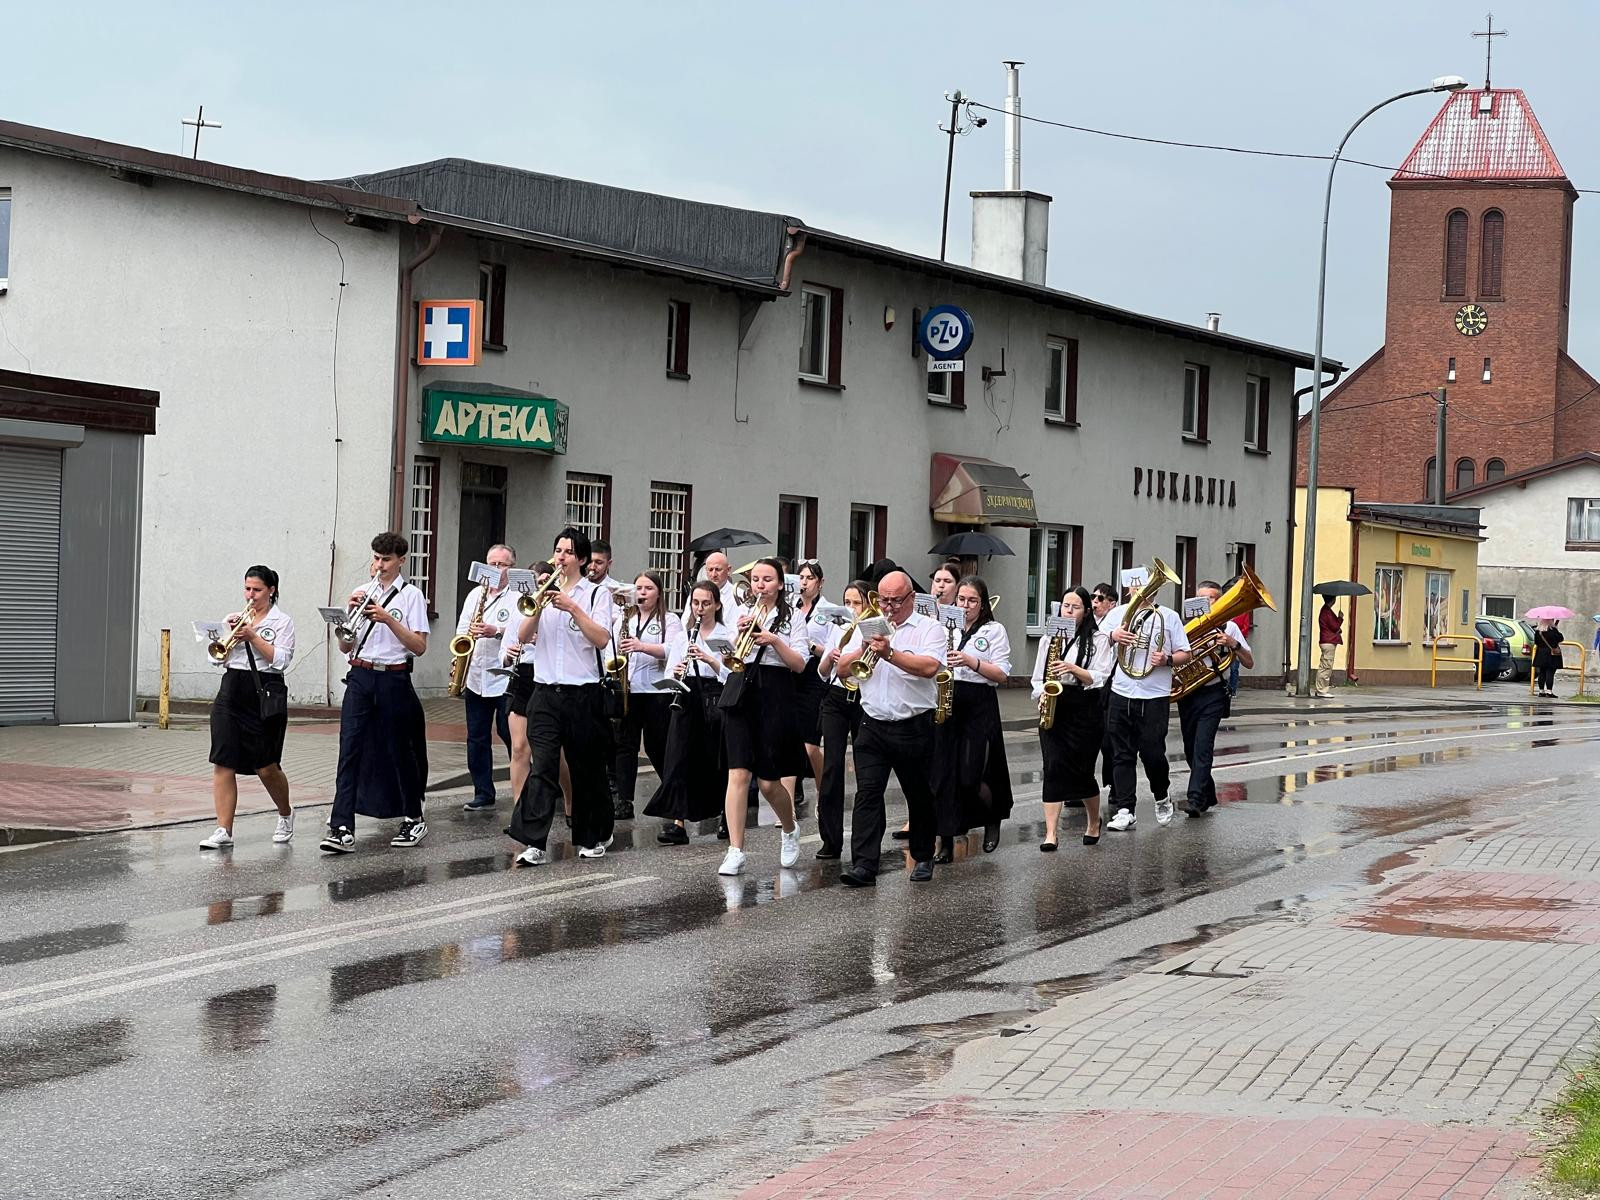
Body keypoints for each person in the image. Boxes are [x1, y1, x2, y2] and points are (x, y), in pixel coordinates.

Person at [507, 527, 616, 865]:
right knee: (544, 765)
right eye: (558, 550)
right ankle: (534, 842)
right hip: (545, 693)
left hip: (582, 694)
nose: (560, 557)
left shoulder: (597, 595)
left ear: (581, 559)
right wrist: (539, 606)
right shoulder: (544, 593)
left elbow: (600, 639)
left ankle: (590, 835)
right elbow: (523, 635)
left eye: (568, 552)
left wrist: (572, 608)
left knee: (585, 767)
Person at [833, 569, 946, 887]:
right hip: (871, 723)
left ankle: (923, 856)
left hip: (913, 725)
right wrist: (862, 649)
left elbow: (929, 667)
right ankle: (864, 865)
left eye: (896, 600)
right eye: (884, 599)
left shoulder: (929, 628)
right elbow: (842, 670)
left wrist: (891, 654)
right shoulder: (867, 625)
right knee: (867, 794)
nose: (890, 606)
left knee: (919, 794)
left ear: (911, 597)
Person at [320, 532, 431, 854]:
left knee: (400, 751)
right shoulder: (362, 592)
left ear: (400, 561)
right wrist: (345, 621)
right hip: (360, 675)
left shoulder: (411, 596)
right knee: (349, 749)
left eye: (386, 560)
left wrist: (387, 620)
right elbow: (345, 644)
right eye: (376, 559)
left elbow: (420, 647)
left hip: (394, 678)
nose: (379, 566)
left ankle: (412, 816)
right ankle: (341, 825)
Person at [717, 558, 806, 876]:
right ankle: (736, 850)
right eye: (756, 579)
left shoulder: (793, 617)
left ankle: (789, 827)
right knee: (738, 773)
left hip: (775, 691)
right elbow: (726, 655)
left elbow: (799, 664)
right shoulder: (740, 612)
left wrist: (772, 639)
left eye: (767, 579)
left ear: (780, 584)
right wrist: (733, 642)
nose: (760, 585)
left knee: (769, 784)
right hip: (742, 690)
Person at [200, 565, 296, 849]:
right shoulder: (235, 618)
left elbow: (281, 661)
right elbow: (216, 660)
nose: (250, 595)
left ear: (271, 591)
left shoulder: (282, 621)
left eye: (256, 590)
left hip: (264, 690)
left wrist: (253, 636)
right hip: (232, 690)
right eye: (247, 589)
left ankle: (286, 813)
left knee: (266, 766)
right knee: (223, 760)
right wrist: (226, 635)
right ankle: (223, 830)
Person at [933, 575, 1013, 859]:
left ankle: (991, 817)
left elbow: (1002, 674)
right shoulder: (943, 626)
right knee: (943, 774)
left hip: (979, 702)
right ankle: (945, 840)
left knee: (971, 774)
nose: (966, 606)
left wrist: (970, 661)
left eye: (972, 601)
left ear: (983, 604)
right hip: (948, 697)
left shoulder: (993, 630)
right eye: (962, 600)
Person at [1103, 578, 1191, 831]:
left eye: (1145, 586)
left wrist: (1167, 659)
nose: (1139, 591)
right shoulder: (1117, 614)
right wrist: (1113, 634)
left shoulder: (1169, 616)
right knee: (1121, 754)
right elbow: (1097, 641)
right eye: (1136, 587)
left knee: (1152, 753)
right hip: (1121, 691)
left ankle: (1162, 795)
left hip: (1154, 695)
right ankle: (1125, 809)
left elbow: (1186, 653)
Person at [1031, 586, 1115, 849]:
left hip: (1085, 708)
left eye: (1074, 607)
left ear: (1086, 611)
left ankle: (1093, 822)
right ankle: (1051, 833)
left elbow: (1099, 677)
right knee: (1053, 767)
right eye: (1065, 606)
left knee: (1082, 772)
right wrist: (1042, 693)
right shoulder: (1049, 639)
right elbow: (1037, 678)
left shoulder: (1098, 640)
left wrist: (1072, 668)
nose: (1068, 611)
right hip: (1056, 704)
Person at [647, 579, 730, 843]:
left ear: (716, 605)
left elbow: (732, 674)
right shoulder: (683, 636)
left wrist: (708, 659)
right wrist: (679, 669)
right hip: (686, 695)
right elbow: (670, 670)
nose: (700, 608)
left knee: (714, 758)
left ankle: (726, 814)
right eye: (696, 603)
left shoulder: (726, 636)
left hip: (713, 698)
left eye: (706, 603)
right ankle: (677, 822)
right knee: (678, 757)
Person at [1178, 579, 1253, 817]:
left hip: (1213, 693)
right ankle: (1208, 794)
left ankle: (1195, 799)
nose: (1207, 602)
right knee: (1190, 749)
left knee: (1202, 747)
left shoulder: (1229, 627)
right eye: (1202, 598)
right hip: (1188, 693)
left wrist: (1233, 644)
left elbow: (1250, 662)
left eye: (1212, 598)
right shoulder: (1183, 626)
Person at [612, 571, 680, 819]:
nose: (642, 593)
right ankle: (624, 799)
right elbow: (610, 649)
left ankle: (672, 792)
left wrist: (641, 646)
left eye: (648, 588)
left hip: (656, 691)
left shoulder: (669, 620)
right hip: (629, 689)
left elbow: (673, 649)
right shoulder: (624, 618)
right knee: (625, 746)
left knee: (656, 745)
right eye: (638, 588)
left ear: (658, 592)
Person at [456, 544, 519, 813]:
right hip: (476, 676)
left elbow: (521, 633)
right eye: (491, 563)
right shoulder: (474, 595)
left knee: (509, 734)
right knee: (477, 737)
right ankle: (482, 791)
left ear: (511, 567)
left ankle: (523, 788)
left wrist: (496, 630)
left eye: (501, 565)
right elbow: (461, 631)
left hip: (504, 676)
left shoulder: (517, 596)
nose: (495, 569)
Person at [814, 579, 870, 859]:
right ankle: (830, 839)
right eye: (846, 602)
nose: (850, 608)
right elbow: (823, 672)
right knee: (832, 767)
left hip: (863, 700)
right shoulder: (838, 628)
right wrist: (831, 658)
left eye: (856, 603)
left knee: (866, 770)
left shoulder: (875, 628)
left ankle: (864, 845)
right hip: (836, 698)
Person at [502, 559, 554, 806]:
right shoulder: (519, 606)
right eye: (534, 581)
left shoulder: (558, 607)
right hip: (523, 673)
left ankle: (568, 806)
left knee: (555, 752)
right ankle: (519, 810)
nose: (537, 587)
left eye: (542, 581)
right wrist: (509, 654)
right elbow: (505, 651)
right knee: (520, 747)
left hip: (548, 674)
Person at [787, 559, 830, 812]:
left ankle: (824, 788)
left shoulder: (829, 610)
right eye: (801, 578)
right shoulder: (790, 608)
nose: (804, 583)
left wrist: (811, 646)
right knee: (791, 739)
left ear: (820, 583)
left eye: (810, 578)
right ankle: (790, 802)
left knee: (810, 744)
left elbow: (834, 648)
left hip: (814, 675)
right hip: (792, 673)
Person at [1090, 582, 1119, 799]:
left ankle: (1115, 786)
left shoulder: (1118, 621)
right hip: (1090, 683)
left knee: (1110, 739)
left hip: (1110, 683)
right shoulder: (1088, 622)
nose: (1095, 602)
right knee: (1088, 738)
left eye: (1100, 599)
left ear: (1112, 603)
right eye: (1093, 598)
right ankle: (1081, 788)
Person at [1316, 595, 1343, 699]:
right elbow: (1334, 626)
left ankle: (1320, 689)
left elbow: (1332, 627)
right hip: (1328, 642)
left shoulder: (1325, 610)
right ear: (1333, 599)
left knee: (1324, 666)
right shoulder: (1327, 612)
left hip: (1326, 641)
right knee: (1326, 667)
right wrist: (1340, 618)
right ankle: (1322, 690)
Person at [1534, 619, 1564, 696]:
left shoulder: (1538, 631)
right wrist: (1556, 629)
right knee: (1550, 672)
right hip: (1551, 654)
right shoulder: (1553, 630)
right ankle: (1549, 691)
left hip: (1540, 653)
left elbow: (1536, 642)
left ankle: (1541, 691)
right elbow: (1561, 638)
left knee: (1542, 672)